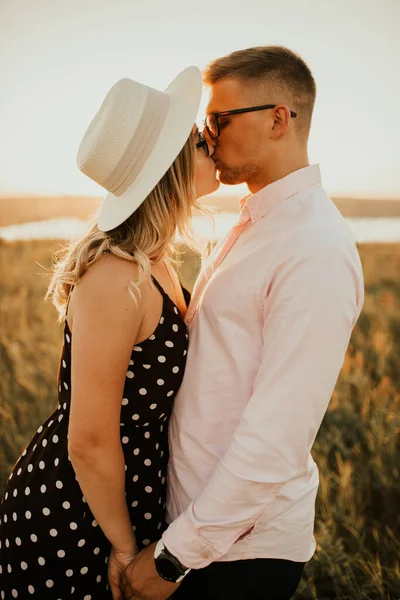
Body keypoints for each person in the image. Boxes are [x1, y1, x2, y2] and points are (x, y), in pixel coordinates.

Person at [121, 46, 364, 600]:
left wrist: (172, 557)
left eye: (218, 120)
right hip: (199, 531)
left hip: (238, 552)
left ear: (279, 118)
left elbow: (275, 437)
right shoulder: (254, 222)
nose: (206, 138)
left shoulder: (314, 248)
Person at [0, 66, 219, 599]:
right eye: (194, 139)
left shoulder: (156, 261)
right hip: (78, 517)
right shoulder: (114, 276)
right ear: (168, 168)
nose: (207, 140)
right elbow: (90, 441)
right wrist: (123, 548)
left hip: (127, 501)